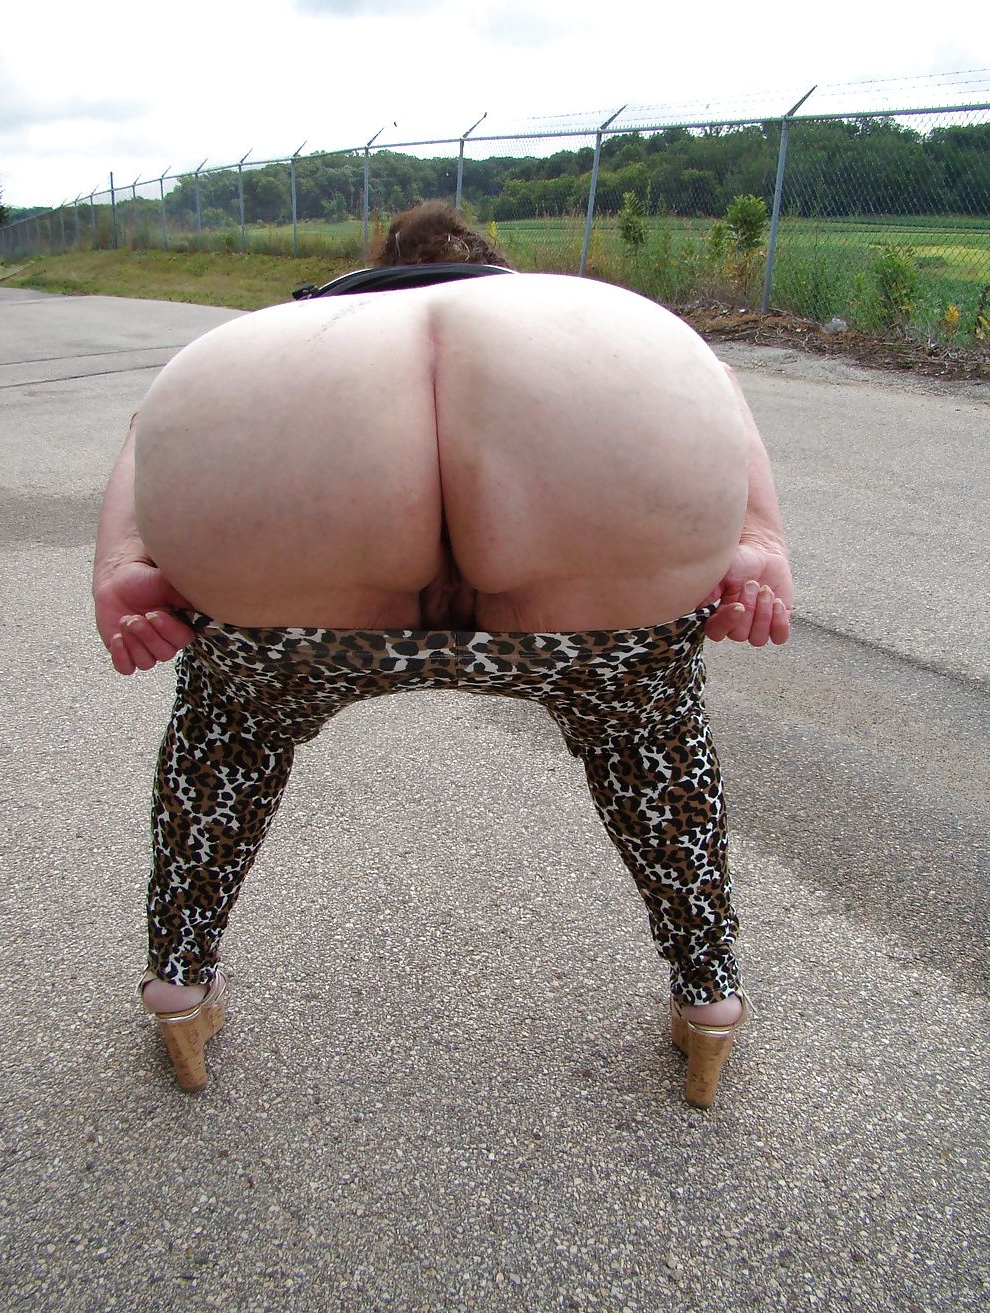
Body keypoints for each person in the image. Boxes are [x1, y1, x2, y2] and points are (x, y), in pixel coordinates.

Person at [93, 202, 792, 1105]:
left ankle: (180, 984)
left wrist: (122, 559)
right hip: (591, 595)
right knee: (648, 741)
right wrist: (760, 537)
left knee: (227, 733)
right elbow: (717, 386)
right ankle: (707, 996)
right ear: (493, 265)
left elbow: (149, 425)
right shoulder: (570, 315)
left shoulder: (291, 328)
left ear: (376, 267)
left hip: (292, 598)